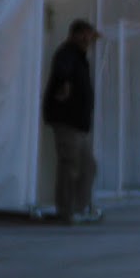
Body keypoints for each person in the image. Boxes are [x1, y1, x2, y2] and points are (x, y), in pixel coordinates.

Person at [41, 19, 102, 225]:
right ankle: (65, 211)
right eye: (84, 35)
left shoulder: (80, 57)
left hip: (79, 124)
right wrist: (65, 84)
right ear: (74, 34)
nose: (88, 40)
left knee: (88, 166)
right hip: (66, 121)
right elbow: (61, 71)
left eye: (90, 36)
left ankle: (77, 207)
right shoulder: (67, 53)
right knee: (70, 164)